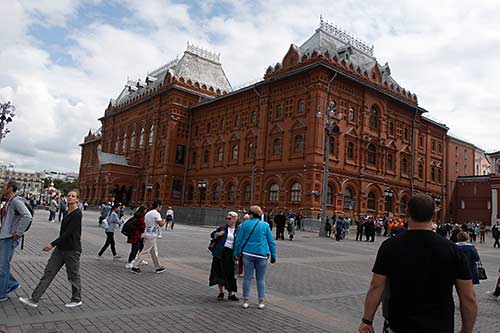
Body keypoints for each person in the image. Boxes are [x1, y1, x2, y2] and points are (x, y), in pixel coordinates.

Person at [359, 194, 477, 333]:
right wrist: (466, 330)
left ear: (407, 212)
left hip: (399, 326)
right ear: (434, 214)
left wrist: (367, 321)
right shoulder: (453, 250)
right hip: (440, 327)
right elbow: (468, 297)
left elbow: (376, 286)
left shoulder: (389, 246)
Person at [19, 190, 82, 308]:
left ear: (77, 199)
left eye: (73, 196)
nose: (70, 198)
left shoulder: (77, 214)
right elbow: (63, 232)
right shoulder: (66, 212)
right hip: (60, 249)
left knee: (73, 276)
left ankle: (77, 299)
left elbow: (68, 233)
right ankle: (34, 299)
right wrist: (56, 245)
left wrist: (52, 244)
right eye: (68, 196)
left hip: (72, 250)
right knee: (49, 272)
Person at [234, 205, 276, 309]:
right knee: (260, 279)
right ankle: (261, 301)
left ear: (251, 214)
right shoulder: (265, 225)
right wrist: (273, 254)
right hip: (262, 254)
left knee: (247, 278)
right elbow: (271, 242)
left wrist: (236, 252)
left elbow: (239, 240)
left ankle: (245, 301)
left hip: (248, 253)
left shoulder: (245, 224)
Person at [0, 180, 32, 302]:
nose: (3, 187)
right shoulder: (10, 201)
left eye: (5, 186)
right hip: (4, 237)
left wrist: (18, 233)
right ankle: (12, 283)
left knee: (3, 267)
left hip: (8, 238)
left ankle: (2, 294)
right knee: (2, 266)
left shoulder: (16, 201)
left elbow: (27, 216)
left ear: (11, 188)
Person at [209, 211, 239, 301]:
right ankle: (221, 292)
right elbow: (212, 234)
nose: (227, 220)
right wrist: (217, 234)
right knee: (219, 272)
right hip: (221, 253)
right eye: (226, 218)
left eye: (229, 218)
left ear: (235, 219)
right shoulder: (222, 228)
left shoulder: (238, 230)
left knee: (231, 273)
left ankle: (231, 294)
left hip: (231, 254)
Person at [131, 200, 166, 274]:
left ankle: (158, 267)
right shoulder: (156, 214)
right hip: (151, 235)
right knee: (145, 251)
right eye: (161, 207)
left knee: (154, 252)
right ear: (158, 206)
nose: (161, 208)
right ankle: (135, 266)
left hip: (147, 233)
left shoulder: (148, 213)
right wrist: (164, 221)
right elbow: (160, 224)